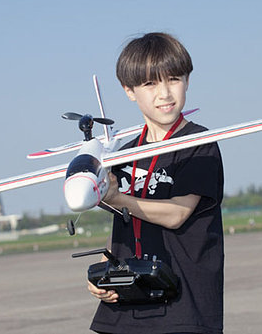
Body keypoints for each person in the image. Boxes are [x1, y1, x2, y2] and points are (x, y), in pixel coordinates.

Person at [88, 32, 224, 334]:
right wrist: (102, 274)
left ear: (187, 81)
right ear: (130, 91)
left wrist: (117, 197)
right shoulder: (124, 154)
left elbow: (177, 214)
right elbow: (121, 225)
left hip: (184, 306)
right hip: (125, 308)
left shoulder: (198, 143)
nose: (165, 93)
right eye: (150, 84)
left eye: (173, 79)